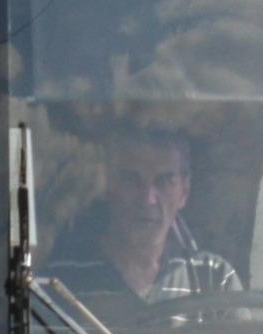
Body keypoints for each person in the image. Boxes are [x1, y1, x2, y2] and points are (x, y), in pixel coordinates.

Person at [42, 125, 241, 308]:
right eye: (131, 179)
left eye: (164, 181)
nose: (147, 199)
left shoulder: (214, 280)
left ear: (184, 192)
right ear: (108, 186)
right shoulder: (61, 280)